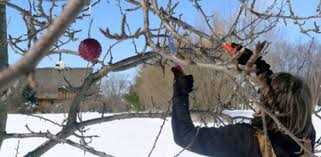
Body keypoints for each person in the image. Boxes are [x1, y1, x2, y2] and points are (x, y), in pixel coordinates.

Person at [171, 43, 316, 157]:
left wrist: (180, 90)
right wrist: (255, 63)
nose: (260, 94)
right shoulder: (305, 138)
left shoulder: (246, 140)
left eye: (264, 94)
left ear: (270, 104)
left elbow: (185, 136)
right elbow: (284, 96)